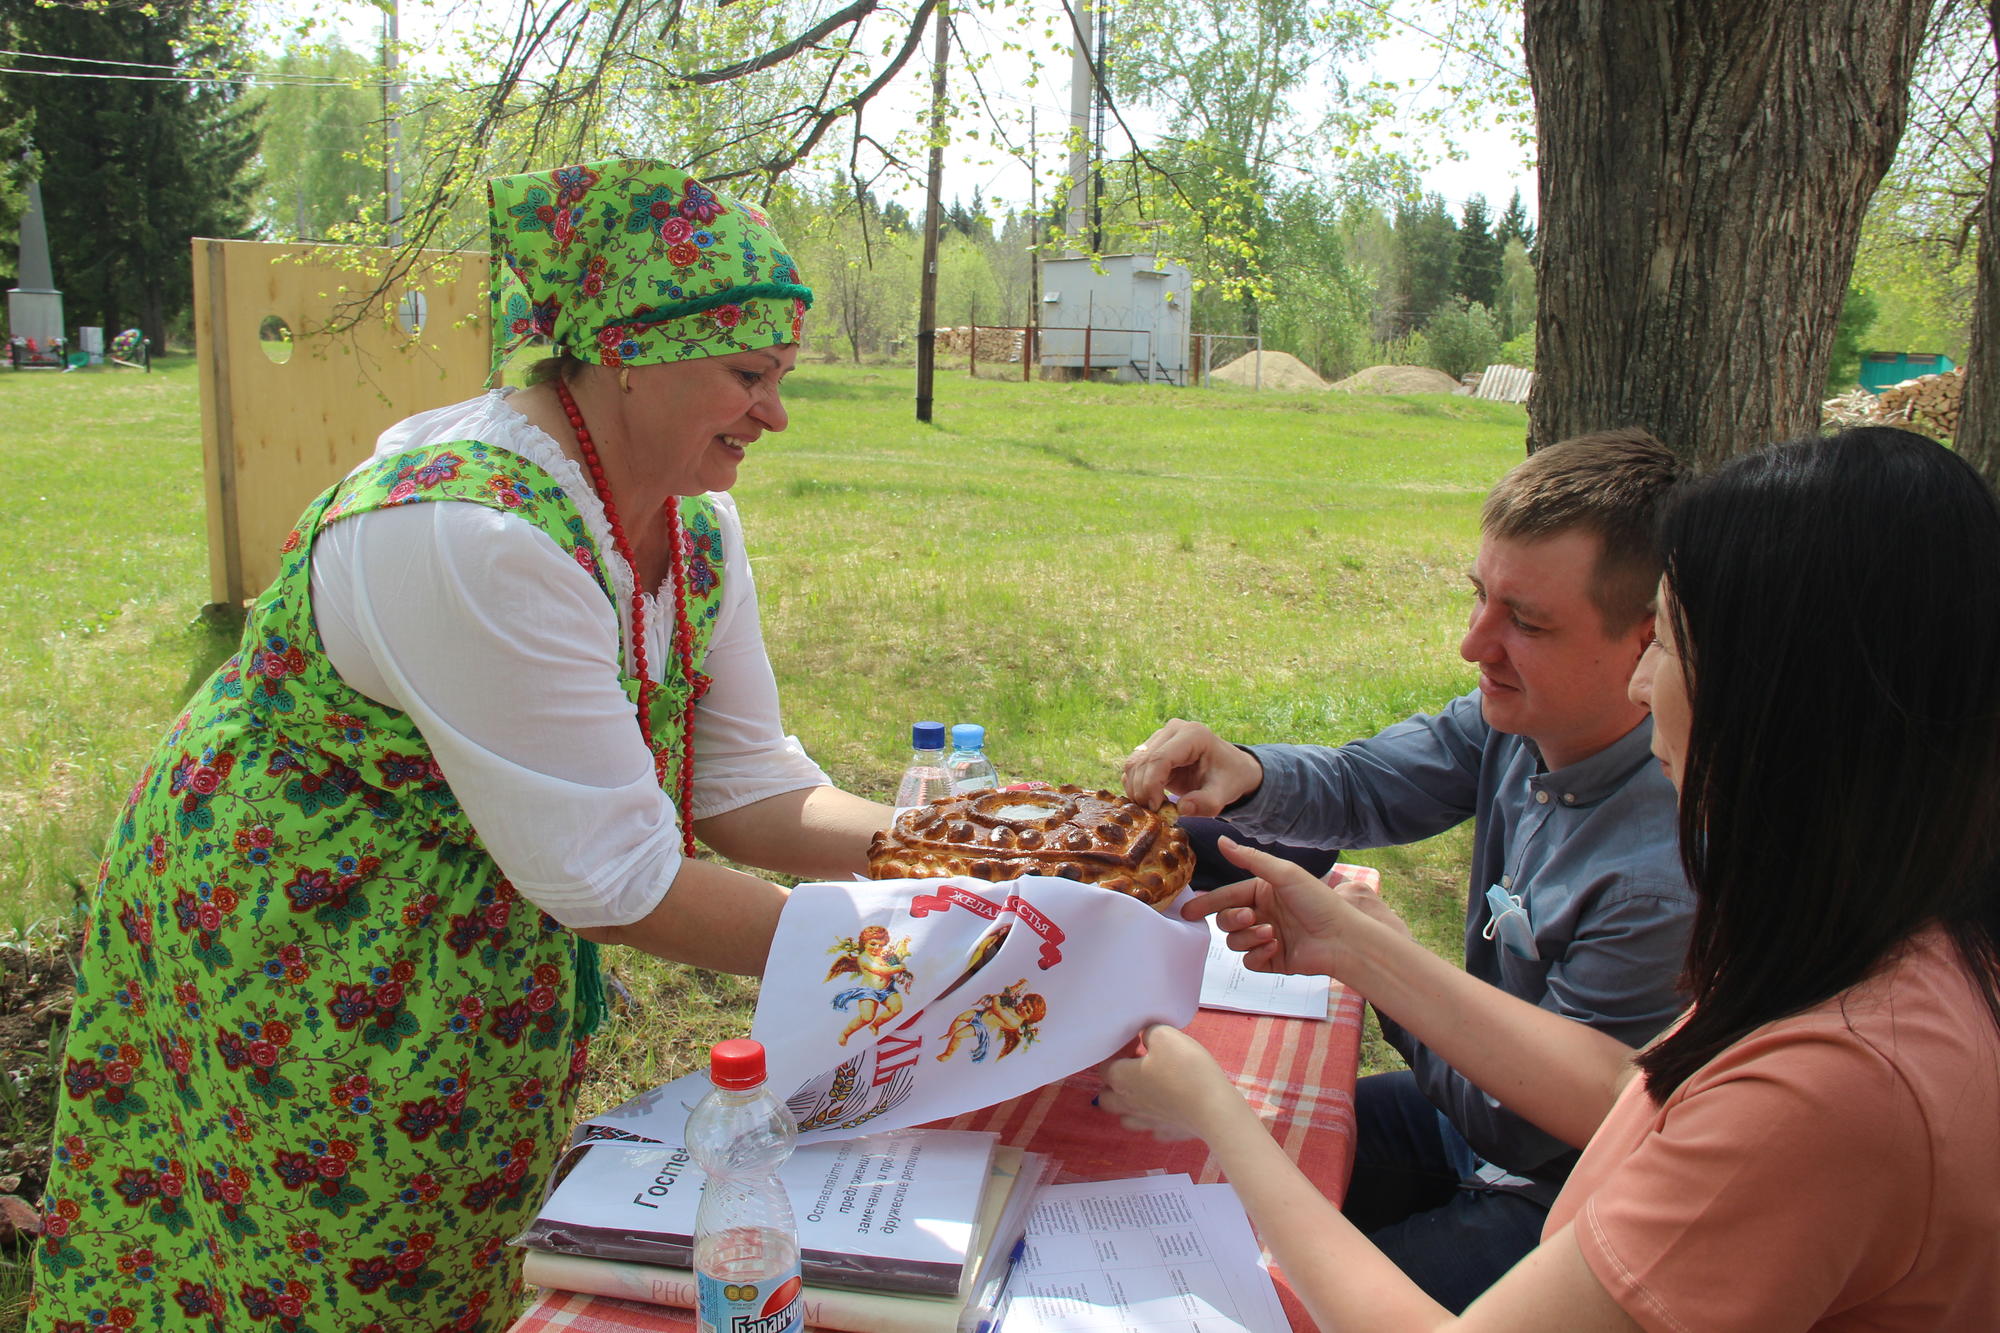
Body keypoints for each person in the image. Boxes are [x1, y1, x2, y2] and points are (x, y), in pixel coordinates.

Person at [31, 159, 891, 1331]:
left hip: (481, 921)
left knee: (471, 1238)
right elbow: (620, 884)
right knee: (328, 1258)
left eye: (781, 376)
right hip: (301, 936)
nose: (775, 413)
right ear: (627, 349)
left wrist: (964, 853)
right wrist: (904, 961)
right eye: (747, 374)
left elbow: (741, 786)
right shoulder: (470, 530)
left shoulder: (692, 522)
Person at [1103, 426, 2000, 1329]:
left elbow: (1578, 1130)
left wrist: (1223, 1111)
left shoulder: (1820, 1088)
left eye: (1673, 644)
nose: (1647, 687)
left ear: (1778, 707)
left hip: (1533, 1185)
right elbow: (1630, 1085)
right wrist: (1349, 943)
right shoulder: (1862, 945)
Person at [1122, 430, 1693, 1308]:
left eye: (1527, 623)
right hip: (1472, 1128)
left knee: (1280, 1297)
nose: (1475, 646)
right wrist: (1249, 770)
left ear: (1645, 644)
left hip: (1565, 1203)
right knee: (1164, 1164)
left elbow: (1526, 1119)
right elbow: (1371, 779)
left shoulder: (1659, 875)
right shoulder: (1521, 718)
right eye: (1480, 598)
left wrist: (1379, 964)